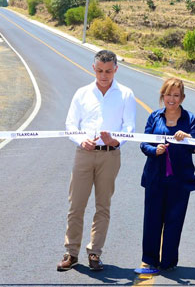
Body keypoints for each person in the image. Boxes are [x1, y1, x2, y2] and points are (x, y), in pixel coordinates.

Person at [57, 50, 136, 272]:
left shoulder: (126, 94)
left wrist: (116, 141)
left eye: (108, 71)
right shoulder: (82, 93)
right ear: (94, 68)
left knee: (103, 206)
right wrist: (82, 140)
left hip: (110, 155)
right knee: (76, 205)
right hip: (84, 154)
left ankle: (94, 253)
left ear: (116, 70)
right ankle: (71, 253)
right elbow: (70, 125)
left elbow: (129, 127)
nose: (104, 75)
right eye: (100, 70)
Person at [136, 78, 195, 273]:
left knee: (174, 221)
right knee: (152, 220)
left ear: (182, 98)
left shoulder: (190, 119)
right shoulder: (154, 117)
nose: (171, 99)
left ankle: (169, 263)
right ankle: (150, 261)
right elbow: (143, 143)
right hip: (155, 177)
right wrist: (154, 150)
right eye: (168, 94)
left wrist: (187, 138)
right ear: (162, 95)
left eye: (176, 95)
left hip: (180, 180)